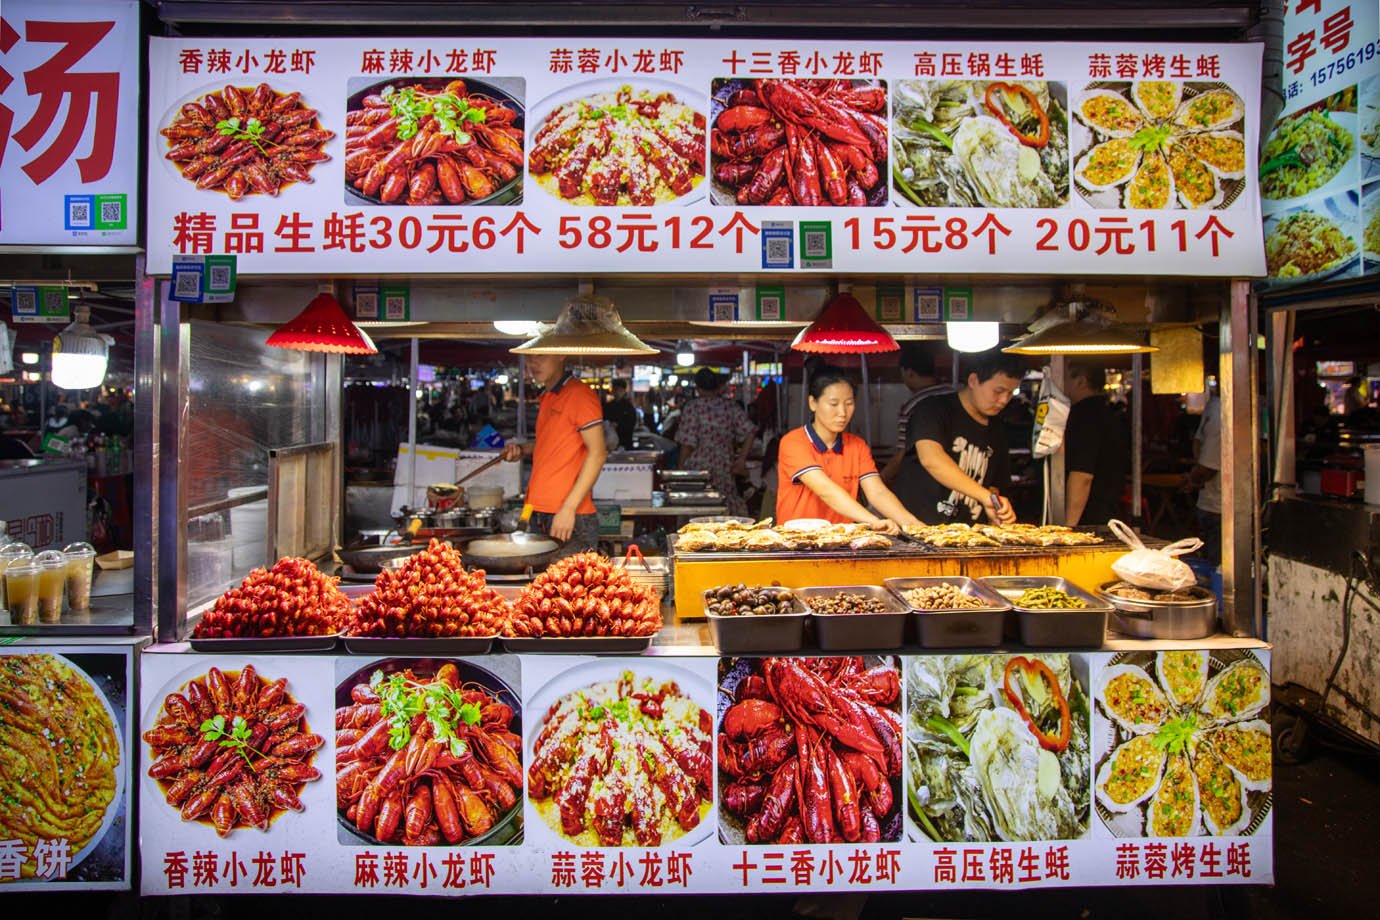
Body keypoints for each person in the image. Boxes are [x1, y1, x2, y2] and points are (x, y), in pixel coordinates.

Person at [775, 366, 920, 533]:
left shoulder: (857, 445)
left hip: (841, 543)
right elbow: (825, 490)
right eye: (833, 404)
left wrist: (913, 524)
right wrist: (873, 521)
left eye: (849, 403)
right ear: (812, 403)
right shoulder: (794, 442)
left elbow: (878, 492)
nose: (842, 412)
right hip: (797, 543)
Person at [895, 348, 1022, 524]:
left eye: (1010, 393)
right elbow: (931, 459)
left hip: (969, 538)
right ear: (973, 381)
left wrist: (996, 508)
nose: (1004, 400)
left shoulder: (997, 428)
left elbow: (994, 484)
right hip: (920, 531)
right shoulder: (932, 410)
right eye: (998, 391)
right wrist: (985, 496)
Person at [500, 354, 607, 554]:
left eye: (540, 357)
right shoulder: (548, 396)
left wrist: (568, 508)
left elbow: (598, 453)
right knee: (541, 582)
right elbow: (551, 443)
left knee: (568, 583)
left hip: (569, 515)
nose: (533, 363)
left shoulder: (579, 394)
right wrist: (522, 450)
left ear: (560, 355)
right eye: (530, 358)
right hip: (538, 511)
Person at [675, 367, 757, 517]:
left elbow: (687, 444)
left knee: (697, 514)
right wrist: (740, 461)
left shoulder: (693, 408)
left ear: (698, 388)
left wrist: (680, 470)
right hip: (724, 467)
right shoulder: (729, 407)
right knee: (724, 511)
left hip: (698, 472)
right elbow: (751, 431)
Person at [1062, 362, 1130, 526]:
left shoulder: (1085, 416)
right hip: (1107, 512)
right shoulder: (1106, 412)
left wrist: (1068, 527)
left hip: (1090, 518)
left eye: (1063, 376)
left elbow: (1082, 475)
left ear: (1081, 381)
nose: (1059, 381)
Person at [880, 345, 951, 485]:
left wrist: (880, 479)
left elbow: (902, 453)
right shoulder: (953, 394)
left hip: (927, 480)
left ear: (909, 372)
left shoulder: (912, 406)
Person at [1183, 394, 1221, 565]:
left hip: (1216, 505)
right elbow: (1208, 464)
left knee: (1217, 567)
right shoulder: (1218, 408)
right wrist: (1196, 476)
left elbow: (1206, 461)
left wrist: (1194, 478)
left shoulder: (1216, 407)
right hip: (1216, 505)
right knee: (1216, 566)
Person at [603, 378, 637, 450]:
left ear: (624, 391)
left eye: (620, 390)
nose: (617, 392)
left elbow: (631, 424)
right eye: (615, 390)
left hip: (625, 443)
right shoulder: (608, 406)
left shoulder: (629, 407)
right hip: (609, 443)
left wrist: (618, 425)